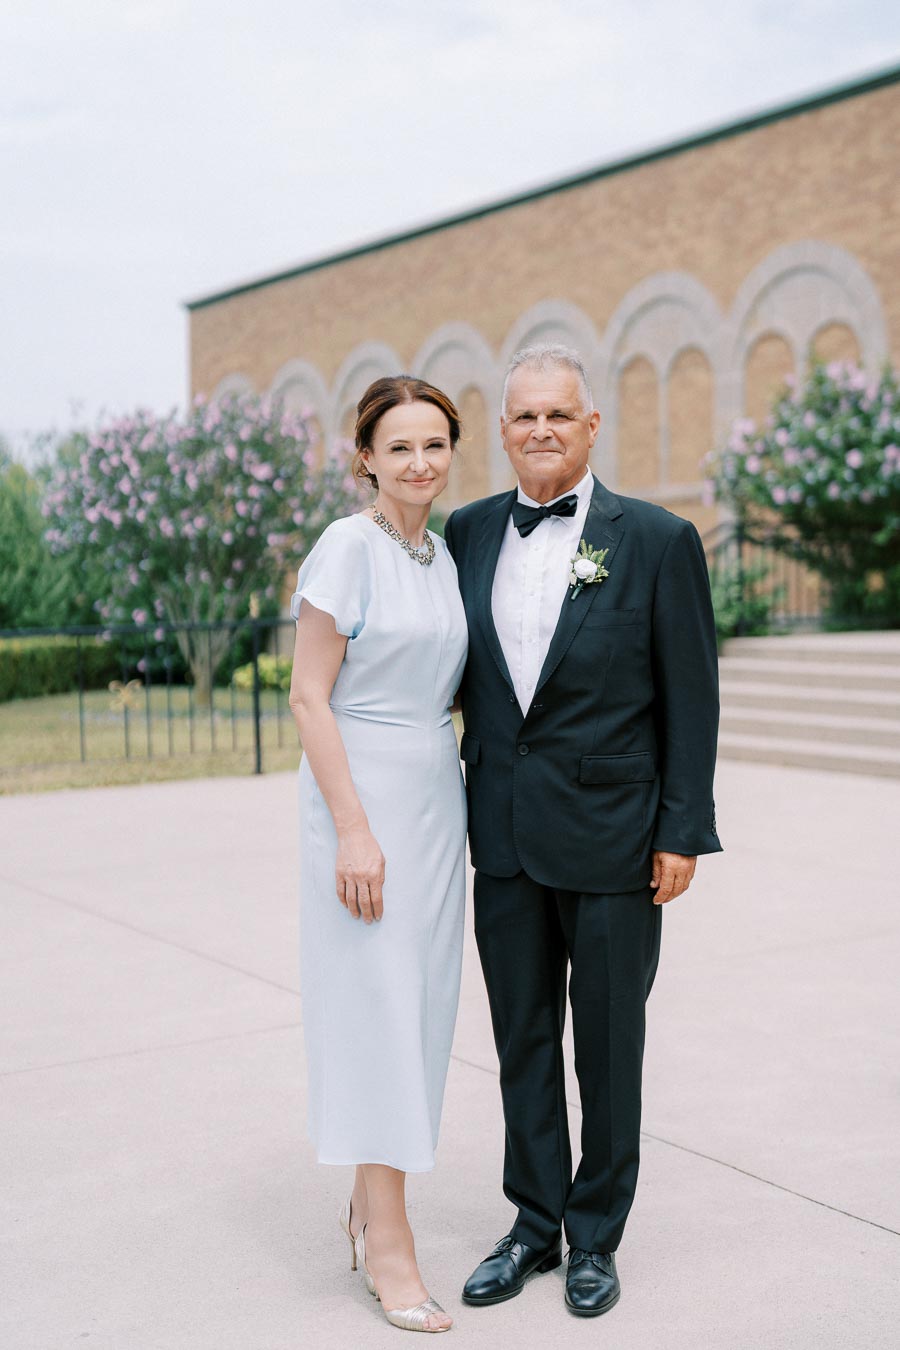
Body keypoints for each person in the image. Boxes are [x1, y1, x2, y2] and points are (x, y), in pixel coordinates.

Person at [444, 343, 721, 1319]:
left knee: (606, 1049)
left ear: (592, 426)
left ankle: (596, 1235)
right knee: (521, 1040)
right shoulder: (467, 532)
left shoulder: (655, 540)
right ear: (505, 429)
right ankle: (533, 1224)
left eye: (559, 415)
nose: (541, 431)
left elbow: (692, 695)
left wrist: (683, 828)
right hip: (505, 839)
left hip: (615, 839)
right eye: (524, 417)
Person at [288, 375, 468, 1334]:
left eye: (435, 443)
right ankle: (389, 1249)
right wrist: (354, 828)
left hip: (440, 799)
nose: (419, 462)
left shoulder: (440, 553)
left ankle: (369, 1206)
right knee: (379, 1014)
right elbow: (310, 695)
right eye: (399, 446)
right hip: (363, 799)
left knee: (424, 1012)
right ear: (365, 456)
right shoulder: (348, 547)